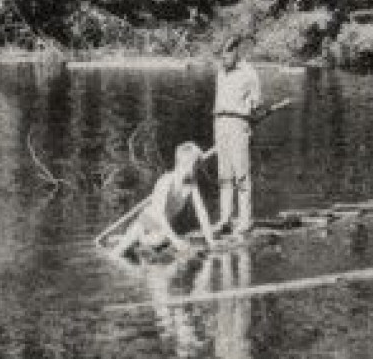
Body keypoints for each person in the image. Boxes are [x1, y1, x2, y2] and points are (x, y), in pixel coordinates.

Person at [108, 142, 217, 261]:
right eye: (197, 165)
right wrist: (174, 240)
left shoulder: (191, 183)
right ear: (187, 164)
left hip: (163, 229)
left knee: (162, 244)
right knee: (116, 254)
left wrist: (210, 240)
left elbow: (201, 212)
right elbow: (160, 215)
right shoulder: (166, 181)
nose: (199, 169)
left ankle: (139, 240)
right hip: (146, 223)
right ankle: (133, 239)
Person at [213, 36, 263, 236]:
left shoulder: (249, 73)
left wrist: (248, 108)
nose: (222, 60)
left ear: (235, 52)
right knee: (224, 175)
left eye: (225, 56)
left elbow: (257, 101)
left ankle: (245, 220)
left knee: (241, 174)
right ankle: (225, 219)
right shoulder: (221, 72)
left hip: (238, 124)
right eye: (220, 57)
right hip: (219, 124)